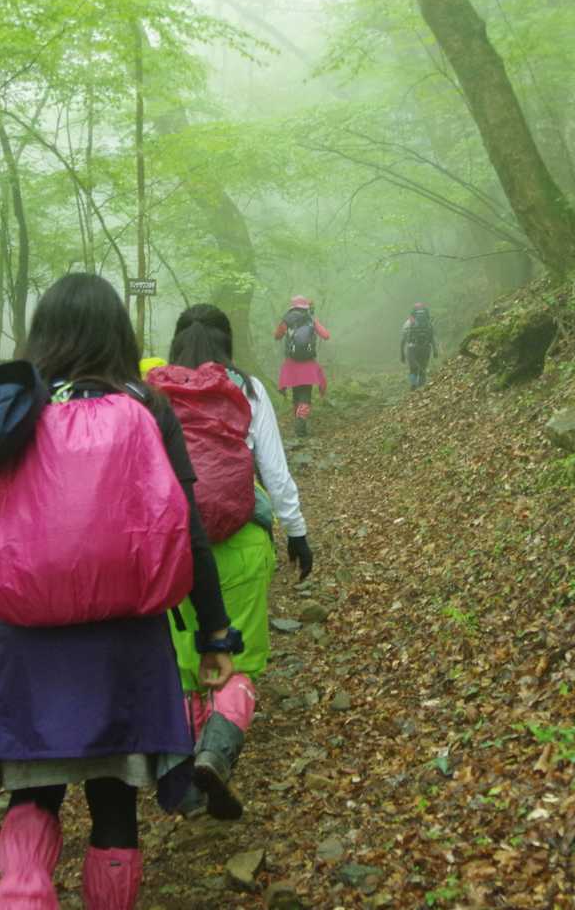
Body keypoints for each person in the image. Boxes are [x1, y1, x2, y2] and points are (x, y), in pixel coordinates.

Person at [0, 273, 238, 910]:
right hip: (124, 640)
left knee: (32, 788)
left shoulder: (16, 406)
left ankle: (22, 893)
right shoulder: (145, 404)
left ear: (42, 334)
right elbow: (185, 525)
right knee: (113, 799)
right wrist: (214, 632)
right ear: (118, 334)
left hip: (25, 638)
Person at [159, 304, 315, 820]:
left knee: (188, 663)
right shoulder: (245, 388)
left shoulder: (154, 394)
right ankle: (216, 753)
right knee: (237, 662)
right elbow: (274, 469)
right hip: (240, 541)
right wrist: (297, 531)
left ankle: (190, 772)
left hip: (175, 549)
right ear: (226, 344)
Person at [273, 295, 330, 437]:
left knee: (296, 392)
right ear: (306, 307)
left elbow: (277, 336)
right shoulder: (311, 319)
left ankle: (298, 421)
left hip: (291, 363)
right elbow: (326, 335)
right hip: (308, 363)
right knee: (305, 393)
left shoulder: (287, 319)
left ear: (293, 307)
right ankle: (301, 422)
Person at [400, 302, 439, 390]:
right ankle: (420, 387)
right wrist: (435, 350)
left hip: (412, 348)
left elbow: (403, 340)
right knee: (422, 368)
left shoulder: (409, 323)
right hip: (425, 348)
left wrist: (402, 354)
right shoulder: (429, 323)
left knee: (413, 369)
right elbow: (432, 337)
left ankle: (414, 386)